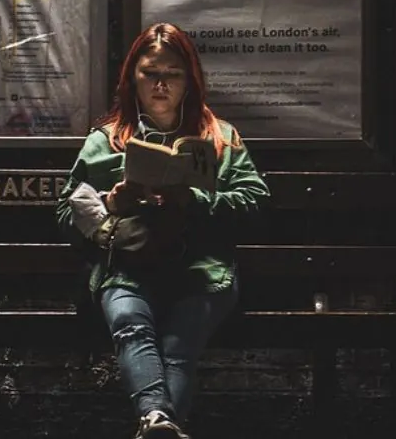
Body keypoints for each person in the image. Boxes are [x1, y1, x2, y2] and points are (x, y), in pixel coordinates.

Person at [55, 22, 271, 439]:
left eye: (172, 74)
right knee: (129, 322)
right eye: (150, 73)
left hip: (202, 271)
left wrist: (195, 200)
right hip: (127, 267)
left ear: (189, 79)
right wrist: (111, 204)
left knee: (177, 344)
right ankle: (160, 421)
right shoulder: (105, 141)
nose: (160, 84)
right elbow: (66, 213)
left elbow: (255, 201)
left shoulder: (219, 138)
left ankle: (155, 419)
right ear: (132, 78)